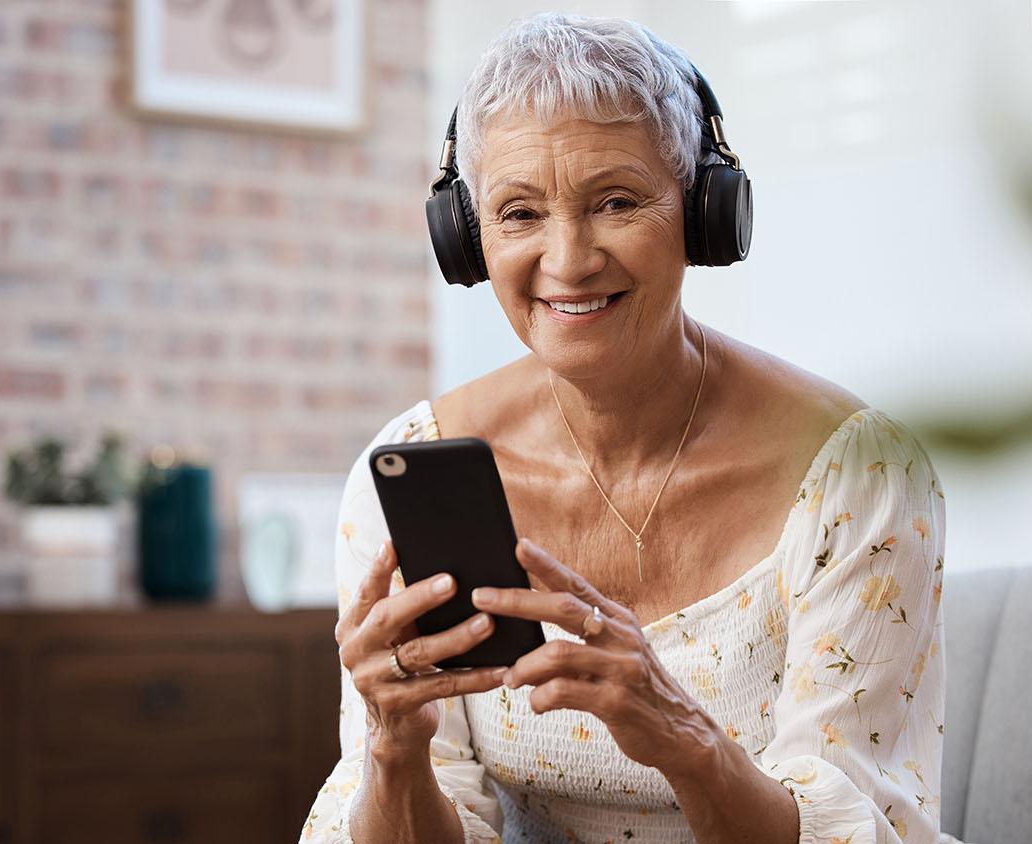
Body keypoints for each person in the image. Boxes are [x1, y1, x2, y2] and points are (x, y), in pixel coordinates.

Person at [301, 12, 946, 844]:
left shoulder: (861, 473)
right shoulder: (412, 471)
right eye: (520, 213)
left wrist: (683, 738)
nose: (567, 261)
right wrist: (393, 749)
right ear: (469, 239)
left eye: (615, 201)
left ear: (704, 214)